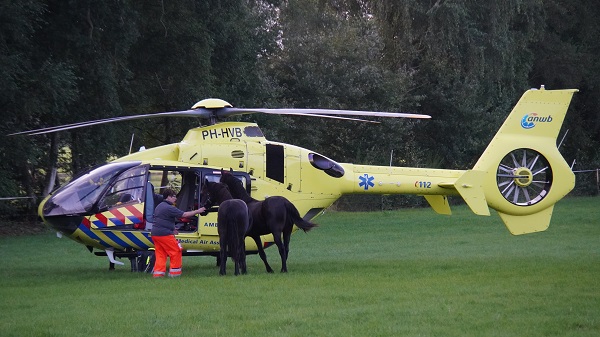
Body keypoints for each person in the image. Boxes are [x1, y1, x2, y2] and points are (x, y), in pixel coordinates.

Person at [151, 188, 205, 278]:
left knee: (161, 254)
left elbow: (162, 220)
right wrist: (197, 211)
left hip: (155, 234)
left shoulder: (159, 206)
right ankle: (175, 274)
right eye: (173, 197)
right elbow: (184, 215)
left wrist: (172, 229)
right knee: (176, 251)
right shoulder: (169, 208)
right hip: (165, 234)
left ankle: (158, 274)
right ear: (168, 197)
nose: (175, 199)